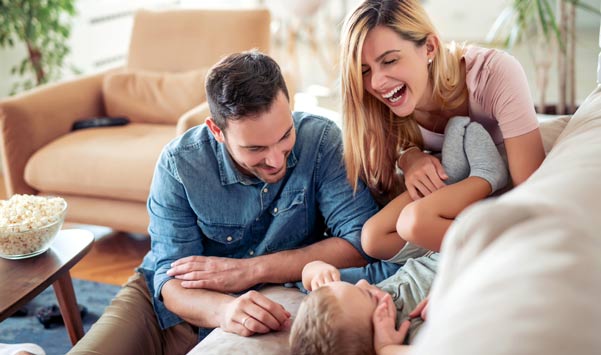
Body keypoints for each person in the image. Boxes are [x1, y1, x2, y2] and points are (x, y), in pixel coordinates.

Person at [68, 51, 398, 355]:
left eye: (284, 136)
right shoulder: (179, 164)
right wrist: (224, 310)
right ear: (217, 131)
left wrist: (251, 271)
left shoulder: (321, 141)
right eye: (255, 149)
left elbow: (359, 243)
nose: (275, 160)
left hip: (272, 296)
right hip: (173, 308)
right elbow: (168, 281)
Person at [339, 0, 545, 257]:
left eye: (390, 61)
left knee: (414, 222)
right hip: (453, 187)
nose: (377, 82)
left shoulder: (494, 74)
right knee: (373, 239)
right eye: (365, 71)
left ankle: (500, 252)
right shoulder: (381, 103)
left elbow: (532, 194)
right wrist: (409, 157)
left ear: (429, 47)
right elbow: (380, 172)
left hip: (499, 188)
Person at [289, 259, 434, 355]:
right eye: (368, 295)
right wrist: (387, 349)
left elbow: (307, 274)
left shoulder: (347, 300)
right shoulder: (414, 335)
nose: (363, 282)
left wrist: (318, 271)